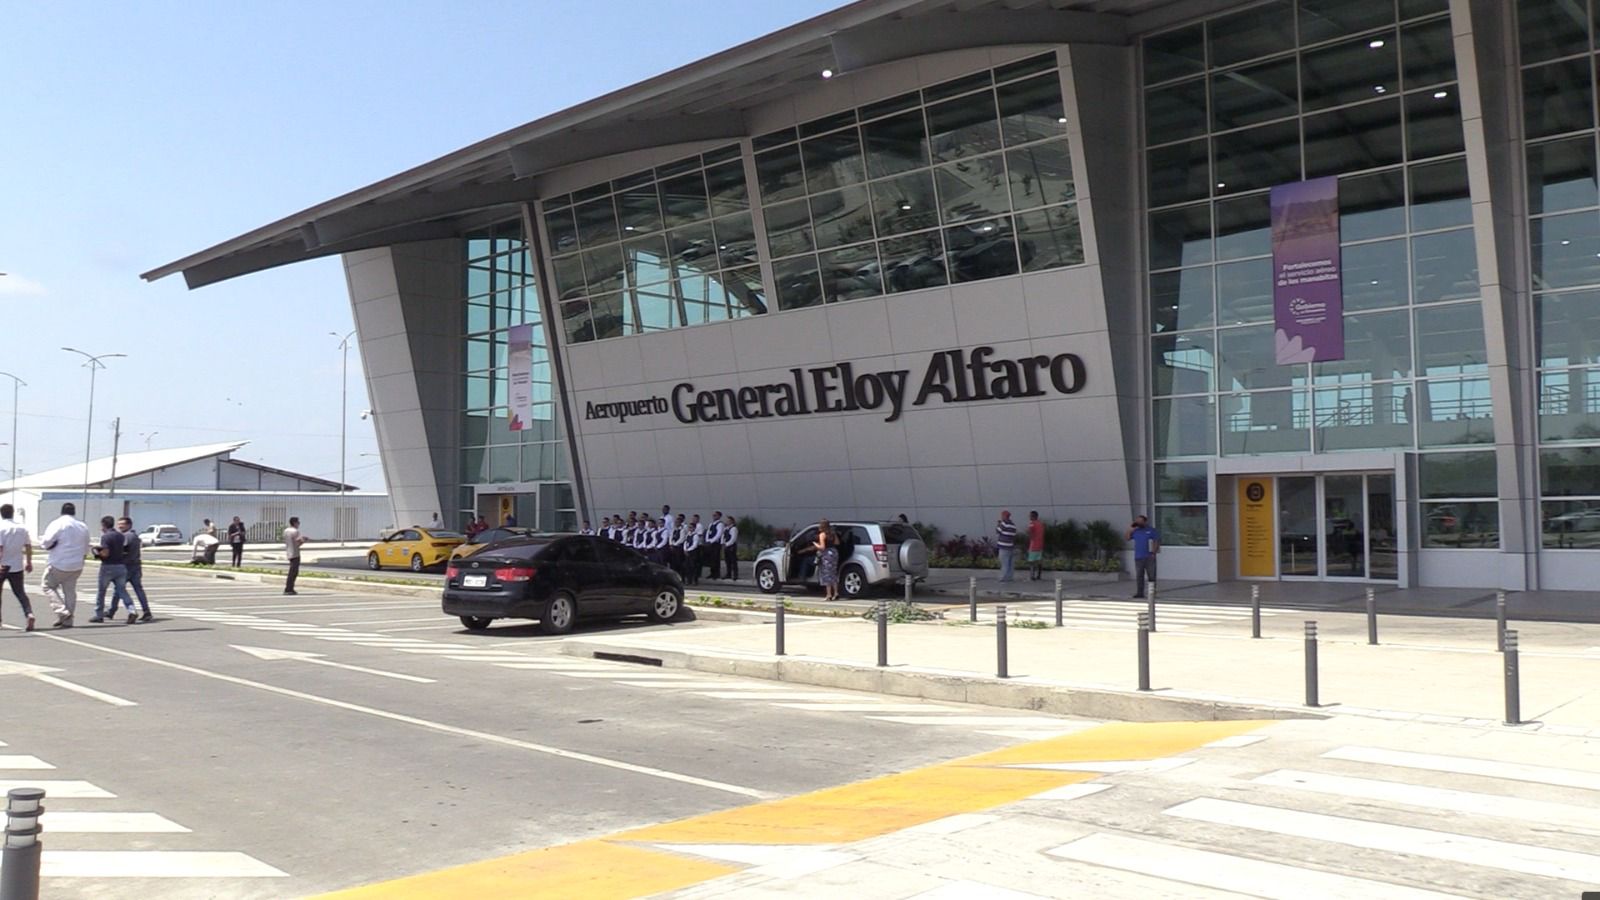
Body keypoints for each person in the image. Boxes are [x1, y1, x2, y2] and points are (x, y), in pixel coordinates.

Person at [40, 502, 89, 628]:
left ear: (61, 511)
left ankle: (62, 611)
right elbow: (86, 546)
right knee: (70, 591)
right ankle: (68, 619)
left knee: (47, 586)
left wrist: (47, 545)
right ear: (74, 512)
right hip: (77, 564)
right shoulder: (82, 526)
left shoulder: (57, 523)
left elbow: (46, 542)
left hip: (59, 562)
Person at [90, 516, 137, 624]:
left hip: (108, 566)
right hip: (121, 566)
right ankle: (132, 610)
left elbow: (105, 553)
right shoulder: (120, 536)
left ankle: (99, 615)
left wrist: (97, 553)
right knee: (122, 590)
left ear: (103, 525)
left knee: (102, 591)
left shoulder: (106, 537)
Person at [0, 504, 36, 631]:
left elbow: (0, 548)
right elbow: (28, 546)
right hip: (17, 565)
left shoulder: (1, 528)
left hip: (3, 565)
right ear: (12, 513)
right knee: (20, 593)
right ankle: (29, 614)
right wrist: (29, 562)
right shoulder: (22, 528)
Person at [116, 517, 153, 622]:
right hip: (136, 566)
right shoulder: (135, 536)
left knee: (119, 589)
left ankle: (111, 611)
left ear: (129, 525)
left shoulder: (126, 536)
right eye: (119, 524)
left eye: (122, 524)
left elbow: (123, 550)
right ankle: (147, 611)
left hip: (127, 567)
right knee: (138, 589)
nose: (120, 526)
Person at [1128, 514, 1161, 599]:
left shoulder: (1151, 530)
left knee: (1151, 575)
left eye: (1140, 521)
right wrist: (1130, 530)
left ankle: (1152, 593)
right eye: (1137, 521)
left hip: (1149, 557)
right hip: (1138, 557)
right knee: (1139, 575)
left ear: (1145, 522)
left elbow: (1156, 541)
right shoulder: (1135, 531)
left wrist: (1154, 552)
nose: (1138, 522)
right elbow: (1127, 538)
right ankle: (1140, 593)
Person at [815, 520, 840, 601]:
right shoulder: (833, 533)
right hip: (834, 552)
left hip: (827, 554)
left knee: (827, 573)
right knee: (833, 573)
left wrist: (816, 545)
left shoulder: (822, 535)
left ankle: (829, 594)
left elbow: (822, 547)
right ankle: (836, 593)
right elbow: (837, 543)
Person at [283, 516, 307, 595]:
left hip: (289, 551)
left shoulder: (286, 530)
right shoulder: (295, 531)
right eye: (298, 522)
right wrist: (304, 540)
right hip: (295, 553)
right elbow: (298, 543)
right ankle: (289, 588)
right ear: (295, 523)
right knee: (294, 572)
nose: (299, 524)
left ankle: (289, 588)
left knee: (291, 571)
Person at [995, 510, 1018, 583]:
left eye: (1002, 515)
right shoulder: (1013, 525)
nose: (1001, 517)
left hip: (1003, 546)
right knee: (1010, 563)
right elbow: (1014, 535)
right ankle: (1009, 577)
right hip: (1010, 546)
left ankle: (1003, 578)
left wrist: (998, 524)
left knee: (1004, 563)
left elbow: (997, 531)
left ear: (1004, 516)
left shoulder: (1003, 523)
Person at [680, 516, 701, 584]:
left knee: (693, 567)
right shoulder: (688, 535)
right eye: (689, 527)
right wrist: (685, 549)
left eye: (691, 527)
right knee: (686, 567)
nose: (689, 529)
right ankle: (688, 580)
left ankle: (695, 580)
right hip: (687, 552)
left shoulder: (695, 535)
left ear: (694, 528)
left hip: (693, 553)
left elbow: (694, 545)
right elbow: (685, 542)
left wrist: (688, 550)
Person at [1026, 510, 1046, 581]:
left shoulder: (1032, 524)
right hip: (1040, 545)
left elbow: (1030, 532)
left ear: (1033, 516)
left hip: (1034, 545)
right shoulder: (1041, 524)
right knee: (1038, 560)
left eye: (1030, 515)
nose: (1029, 517)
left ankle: (1032, 576)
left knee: (1032, 561)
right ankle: (1039, 576)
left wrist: (1030, 537)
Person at [704, 511, 724, 579]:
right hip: (710, 543)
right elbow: (708, 532)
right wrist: (707, 540)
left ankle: (716, 574)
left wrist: (712, 541)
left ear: (719, 516)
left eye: (715, 515)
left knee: (716, 559)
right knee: (711, 559)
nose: (714, 516)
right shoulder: (711, 524)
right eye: (713, 515)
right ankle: (712, 573)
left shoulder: (720, 524)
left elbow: (719, 534)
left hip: (716, 544)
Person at [721, 514, 739, 580]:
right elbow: (723, 536)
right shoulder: (726, 529)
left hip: (731, 547)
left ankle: (735, 575)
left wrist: (727, 544)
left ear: (732, 521)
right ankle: (728, 574)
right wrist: (723, 543)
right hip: (726, 546)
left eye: (729, 521)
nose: (727, 522)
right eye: (727, 521)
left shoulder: (733, 528)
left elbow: (733, 538)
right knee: (727, 561)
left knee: (733, 561)